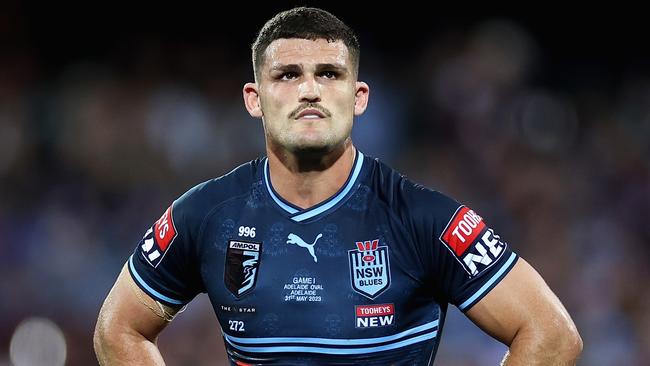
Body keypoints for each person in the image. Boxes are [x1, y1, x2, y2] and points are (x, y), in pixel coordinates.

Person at [94, 7, 582, 365]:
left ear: (360, 96)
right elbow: (118, 329)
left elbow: (551, 334)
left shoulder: (424, 218)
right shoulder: (205, 215)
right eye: (287, 75)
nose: (309, 89)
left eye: (329, 73)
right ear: (253, 98)